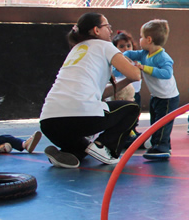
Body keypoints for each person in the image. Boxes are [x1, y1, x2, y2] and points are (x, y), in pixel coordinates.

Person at [39, 13, 142, 168]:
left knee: (85, 148)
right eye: (107, 27)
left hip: (49, 123)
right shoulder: (104, 46)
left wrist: (127, 81)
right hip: (81, 116)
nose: (110, 31)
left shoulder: (75, 50)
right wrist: (135, 69)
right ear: (96, 30)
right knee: (131, 109)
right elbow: (135, 74)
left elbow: (99, 94)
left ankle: (68, 154)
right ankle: (106, 148)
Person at [124, 19, 180, 160]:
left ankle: (161, 147)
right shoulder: (144, 53)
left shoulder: (162, 57)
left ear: (149, 39)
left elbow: (166, 74)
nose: (140, 39)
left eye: (141, 36)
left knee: (162, 123)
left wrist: (144, 68)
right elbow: (130, 54)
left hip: (168, 97)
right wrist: (120, 57)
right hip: (156, 96)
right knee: (155, 122)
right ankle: (161, 145)